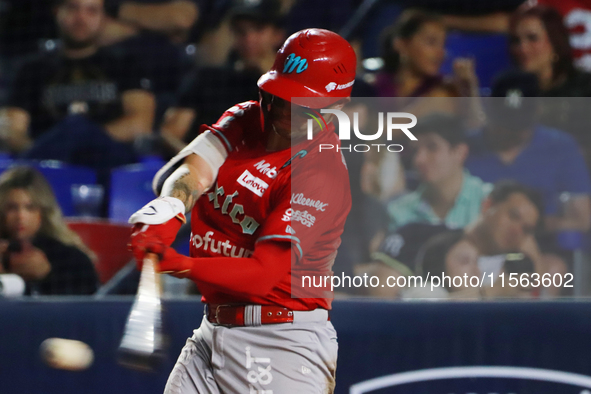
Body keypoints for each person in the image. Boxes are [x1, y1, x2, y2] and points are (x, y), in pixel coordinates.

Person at [129, 28, 355, 393]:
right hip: (213, 330)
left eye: (300, 105)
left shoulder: (320, 172)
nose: (283, 113)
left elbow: (262, 274)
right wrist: (169, 210)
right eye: (278, 98)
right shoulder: (244, 118)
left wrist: (176, 262)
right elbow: (192, 169)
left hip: (280, 341)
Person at [2, 0, 155, 173]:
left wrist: (83, 135)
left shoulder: (124, 65)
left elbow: (140, 124)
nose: (81, 18)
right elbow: (13, 130)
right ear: (57, 12)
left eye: (91, 11)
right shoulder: (32, 69)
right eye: (73, 8)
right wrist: (57, 142)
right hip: (50, 163)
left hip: (109, 160)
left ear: (103, 18)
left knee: (76, 126)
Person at [466, 70, 591, 232]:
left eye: (520, 123)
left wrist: (532, 227)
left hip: (544, 245)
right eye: (506, 120)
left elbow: (582, 220)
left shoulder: (561, 147)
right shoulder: (463, 147)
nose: (512, 130)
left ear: (538, 110)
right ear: (489, 108)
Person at [159, 0, 286, 154]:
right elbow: (170, 133)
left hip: (262, 171)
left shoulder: (293, 86)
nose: (249, 39)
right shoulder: (206, 78)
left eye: (258, 30)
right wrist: (201, 163)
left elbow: (299, 137)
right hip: (202, 168)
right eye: (241, 31)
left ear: (277, 35)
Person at [0, 166, 98, 295]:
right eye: (12, 208)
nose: (20, 216)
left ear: (43, 212)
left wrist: (46, 276)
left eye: (30, 208)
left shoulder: (71, 259)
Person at [387, 113, 491, 231]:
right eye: (415, 150)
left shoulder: (491, 202)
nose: (419, 159)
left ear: (460, 152)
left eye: (432, 147)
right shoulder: (398, 212)